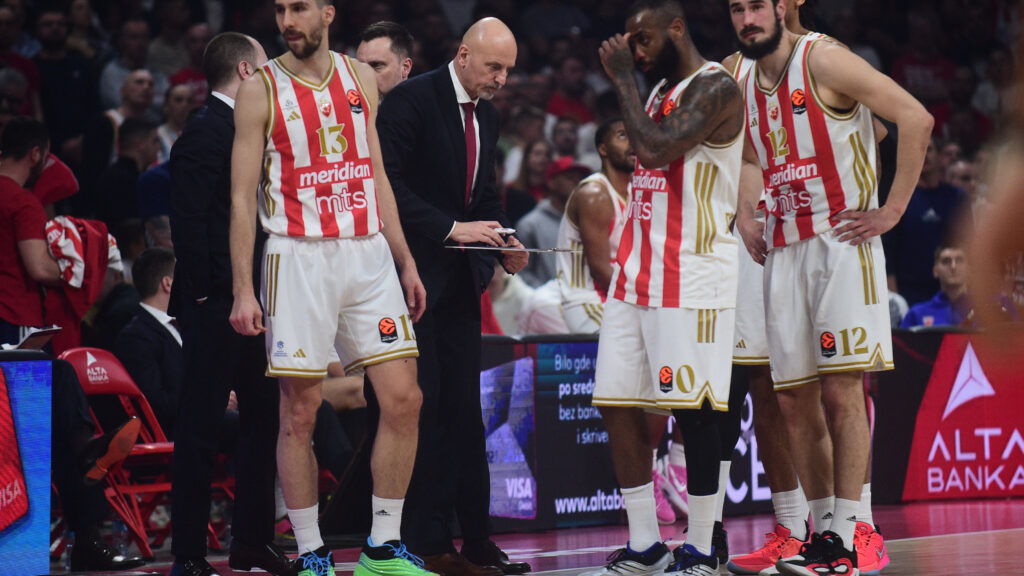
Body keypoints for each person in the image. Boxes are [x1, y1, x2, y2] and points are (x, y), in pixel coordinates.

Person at [729, 0, 934, 574]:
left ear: (786, 5)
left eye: (756, 6)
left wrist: (892, 210)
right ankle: (825, 536)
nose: (746, 18)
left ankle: (857, 531)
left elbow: (914, 118)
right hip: (782, 247)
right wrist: (745, 213)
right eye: (736, 8)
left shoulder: (823, 59)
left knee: (842, 392)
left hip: (839, 243)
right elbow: (745, 151)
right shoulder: (736, 72)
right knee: (793, 400)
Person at [229, 2, 430, 575]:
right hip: (298, 257)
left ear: (327, 13)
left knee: (404, 398)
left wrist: (405, 259)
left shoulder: (360, 76)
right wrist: (243, 288)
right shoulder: (260, 89)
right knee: (300, 412)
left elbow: (376, 172)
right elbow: (241, 197)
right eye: (279, 10)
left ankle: (382, 547)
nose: (286, 20)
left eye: (298, 8)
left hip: (366, 252)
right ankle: (312, 551)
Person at [586, 1, 745, 574]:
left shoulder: (717, 87)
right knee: (616, 404)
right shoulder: (656, 93)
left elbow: (653, 149)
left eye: (643, 38)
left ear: (677, 28)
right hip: (636, 274)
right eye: (630, 42)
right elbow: (648, 152)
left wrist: (622, 80)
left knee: (693, 412)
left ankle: (700, 545)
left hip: (691, 275)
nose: (635, 50)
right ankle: (646, 543)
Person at [376, 16, 530, 576]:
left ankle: (478, 540)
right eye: (493, 67)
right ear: (463, 55)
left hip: (462, 283)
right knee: (431, 410)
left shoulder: (486, 114)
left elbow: (483, 196)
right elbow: (387, 187)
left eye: (508, 70)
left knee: (467, 414)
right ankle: (428, 541)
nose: (501, 79)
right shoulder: (411, 101)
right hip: (412, 280)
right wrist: (451, 228)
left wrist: (504, 239)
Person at [167, 31, 293, 576]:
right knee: (199, 428)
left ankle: (251, 541)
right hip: (216, 304)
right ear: (245, 72)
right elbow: (188, 219)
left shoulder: (248, 129)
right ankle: (189, 553)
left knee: (262, 423)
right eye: (264, 67)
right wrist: (203, 292)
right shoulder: (205, 128)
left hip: (258, 302)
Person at [555, 117, 631, 334]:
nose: (633, 143)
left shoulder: (637, 191)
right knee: (635, 340)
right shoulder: (594, 194)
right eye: (623, 136)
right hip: (589, 299)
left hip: (621, 296)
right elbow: (601, 271)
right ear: (603, 149)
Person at [113, 247, 184, 435]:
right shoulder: (135, 338)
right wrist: (210, 401)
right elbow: (156, 404)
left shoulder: (183, 325)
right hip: (176, 430)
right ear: (168, 284)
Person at [517, 156, 590, 287]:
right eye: (570, 178)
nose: (577, 183)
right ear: (551, 182)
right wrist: (547, 294)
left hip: (585, 295)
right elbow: (521, 271)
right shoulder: (530, 225)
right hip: (545, 297)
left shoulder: (590, 221)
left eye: (580, 178)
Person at [356, 21, 414, 99]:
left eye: (376, 65)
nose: (365, 76)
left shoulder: (426, 105)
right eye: (360, 67)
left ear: (405, 68)